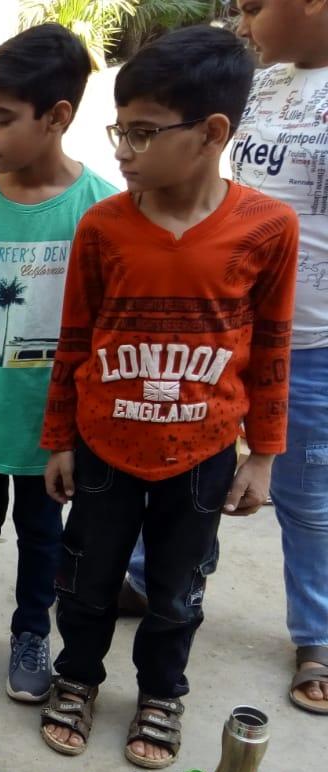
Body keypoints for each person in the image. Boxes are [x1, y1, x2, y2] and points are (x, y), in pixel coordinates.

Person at [39, 25, 299, 769]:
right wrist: (59, 436)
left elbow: (272, 348)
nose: (122, 151)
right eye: (120, 131)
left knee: (179, 592)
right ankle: (77, 679)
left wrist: (264, 459)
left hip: (203, 455)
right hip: (104, 448)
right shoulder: (102, 228)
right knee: (86, 583)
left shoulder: (267, 230)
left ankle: (160, 695)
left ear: (212, 132)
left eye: (144, 134)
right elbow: (75, 340)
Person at [121, 0, 328, 715]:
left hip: (309, 335)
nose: (245, 20)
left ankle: (318, 633)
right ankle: (150, 574)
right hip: (210, 320)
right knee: (181, 464)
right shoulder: (264, 83)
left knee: (302, 494)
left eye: (257, 6)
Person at [0, 24, 117, 702]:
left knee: (42, 531)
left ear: (57, 116)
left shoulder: (99, 210)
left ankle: (32, 630)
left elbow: (104, 326)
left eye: (1, 119)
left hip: (55, 425)